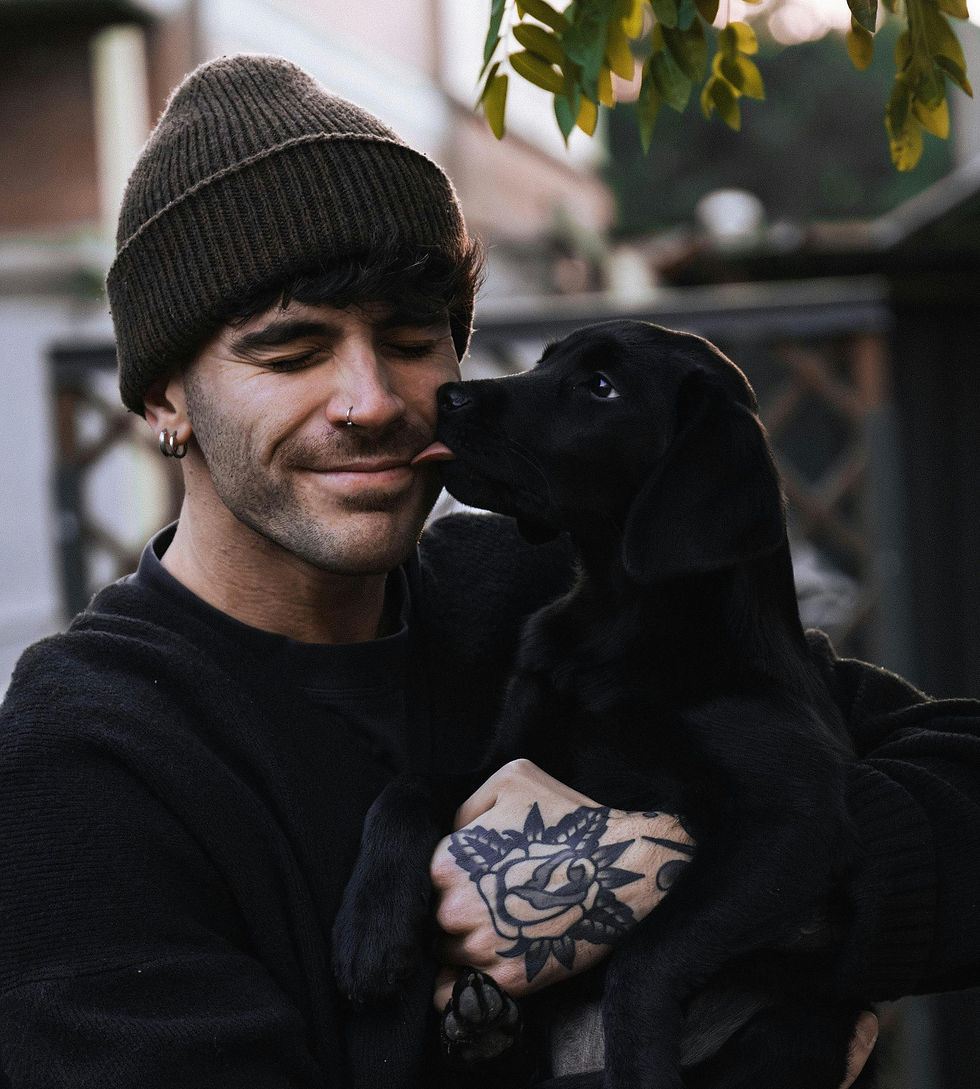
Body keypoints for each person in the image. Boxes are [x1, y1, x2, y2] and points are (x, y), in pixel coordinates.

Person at [0, 52, 977, 1089]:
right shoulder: (84, 763)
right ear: (163, 400)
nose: (369, 400)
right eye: (291, 355)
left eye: (413, 338)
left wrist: (637, 866)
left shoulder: (539, 592)